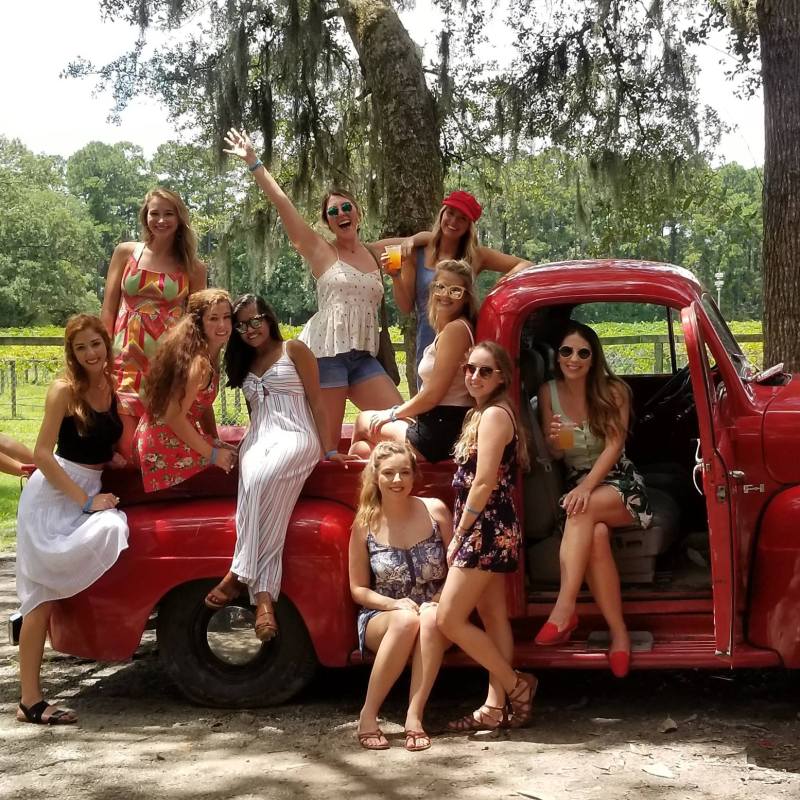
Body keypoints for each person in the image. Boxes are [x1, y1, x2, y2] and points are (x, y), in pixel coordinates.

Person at [223, 129, 402, 447]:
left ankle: (361, 443)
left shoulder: (376, 251)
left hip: (364, 358)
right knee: (327, 447)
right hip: (326, 356)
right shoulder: (321, 251)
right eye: (333, 212)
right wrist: (253, 162)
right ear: (328, 222)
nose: (340, 214)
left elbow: (422, 242)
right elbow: (282, 202)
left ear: (357, 213)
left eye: (346, 207)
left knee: (399, 422)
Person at [205, 295, 355, 640]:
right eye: (241, 325)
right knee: (254, 480)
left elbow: (317, 402)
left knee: (259, 479)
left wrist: (329, 448)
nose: (249, 329)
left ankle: (239, 572)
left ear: (268, 318)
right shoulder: (241, 362)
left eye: (254, 320)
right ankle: (263, 600)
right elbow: (253, 413)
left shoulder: (294, 350)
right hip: (260, 437)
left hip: (298, 434)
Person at [15, 314, 129, 725]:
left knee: (112, 528)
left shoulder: (112, 386)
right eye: (80, 348)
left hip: (86, 486)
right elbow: (43, 453)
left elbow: (101, 439)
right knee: (39, 601)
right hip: (54, 495)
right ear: (72, 352)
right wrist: (86, 501)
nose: (90, 354)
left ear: (106, 343)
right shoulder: (64, 389)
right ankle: (30, 700)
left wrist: (111, 456)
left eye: (95, 344)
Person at [534, 321, 652, 677]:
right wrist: (555, 442)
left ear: (593, 357)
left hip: (619, 481)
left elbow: (615, 446)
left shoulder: (614, 391)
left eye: (583, 352)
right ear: (557, 357)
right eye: (567, 351)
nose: (574, 359)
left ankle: (564, 608)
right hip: (574, 485)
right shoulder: (548, 392)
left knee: (581, 511)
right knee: (595, 535)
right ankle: (619, 636)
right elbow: (555, 456)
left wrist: (587, 488)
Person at [436, 341, 537, 730]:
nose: (474, 377)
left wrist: (459, 535)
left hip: (485, 527)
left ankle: (516, 686)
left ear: (502, 377)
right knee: (494, 616)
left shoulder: (494, 415)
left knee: (448, 618)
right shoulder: (480, 414)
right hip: (489, 524)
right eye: (470, 369)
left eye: (485, 371)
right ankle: (495, 706)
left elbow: (483, 483)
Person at [349, 441, 453, 751]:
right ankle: (368, 716)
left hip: (435, 611)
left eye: (404, 473)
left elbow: (458, 567)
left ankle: (414, 716)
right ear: (376, 477)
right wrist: (394, 604)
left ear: (414, 475)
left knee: (431, 618)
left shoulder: (435, 510)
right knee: (407, 620)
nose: (397, 481)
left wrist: (441, 598)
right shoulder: (364, 524)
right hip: (384, 616)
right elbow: (358, 590)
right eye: (389, 473)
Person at [101, 188, 207, 459]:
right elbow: (108, 308)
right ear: (145, 216)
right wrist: (103, 355)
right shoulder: (126, 253)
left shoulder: (193, 268)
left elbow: (196, 321)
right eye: (154, 213)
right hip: (125, 358)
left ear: (180, 218)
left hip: (165, 360)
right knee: (126, 447)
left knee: (154, 443)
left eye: (168, 214)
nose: (161, 220)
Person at [348, 259, 476, 461]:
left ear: (466, 297)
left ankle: (352, 483)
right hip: (436, 424)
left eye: (455, 291)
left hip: (439, 433)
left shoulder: (456, 331)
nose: (445, 295)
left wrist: (393, 414)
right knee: (362, 451)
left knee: (363, 421)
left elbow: (433, 395)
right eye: (440, 287)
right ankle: (379, 488)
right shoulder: (450, 329)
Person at [391, 191, 531, 372]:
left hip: (463, 340)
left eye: (462, 218)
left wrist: (494, 295)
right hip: (427, 340)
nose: (453, 221)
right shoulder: (416, 253)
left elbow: (525, 264)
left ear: (469, 226)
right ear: (442, 213)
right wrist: (395, 276)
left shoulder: (476, 256)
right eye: (450, 213)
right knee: (427, 392)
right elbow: (405, 306)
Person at [133, 288, 236, 492]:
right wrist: (212, 454)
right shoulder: (199, 363)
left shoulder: (209, 356)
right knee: (235, 464)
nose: (222, 325)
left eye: (227, 317)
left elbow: (203, 405)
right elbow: (174, 416)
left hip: (168, 436)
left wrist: (214, 438)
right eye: (213, 318)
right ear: (199, 323)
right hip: (162, 445)